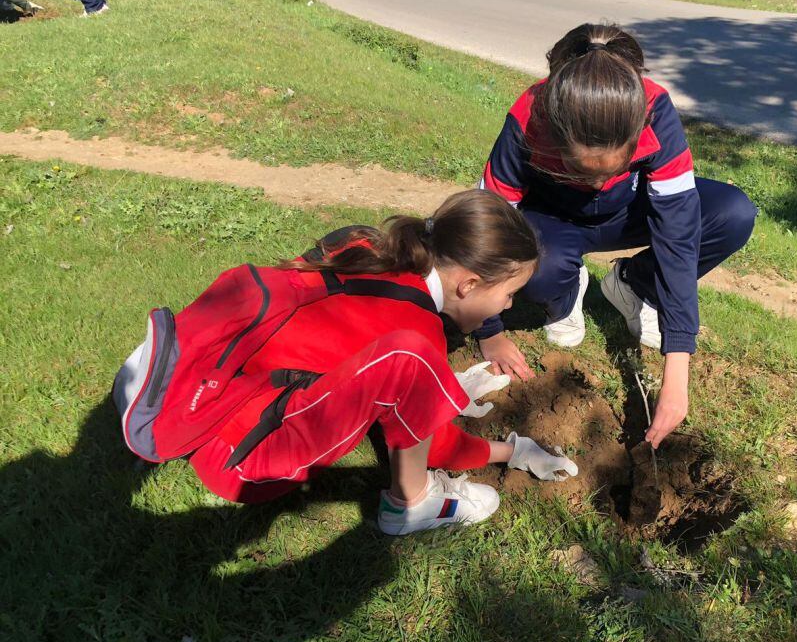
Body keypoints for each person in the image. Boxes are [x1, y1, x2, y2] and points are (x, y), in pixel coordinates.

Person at [182, 191, 578, 535]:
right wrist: (513, 451)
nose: (508, 305)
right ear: (469, 284)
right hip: (246, 464)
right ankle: (411, 505)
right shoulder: (421, 333)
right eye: (509, 294)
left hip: (200, 402)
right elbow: (437, 448)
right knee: (412, 363)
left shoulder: (366, 248)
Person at [477, 23, 758, 448]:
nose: (595, 183)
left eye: (611, 170)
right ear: (557, 135)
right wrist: (490, 332)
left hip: (629, 212)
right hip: (553, 223)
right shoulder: (528, 119)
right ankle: (565, 293)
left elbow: (678, 239)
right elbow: (487, 228)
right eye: (581, 171)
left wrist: (676, 374)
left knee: (732, 213)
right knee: (539, 270)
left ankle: (632, 285)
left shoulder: (655, 111)